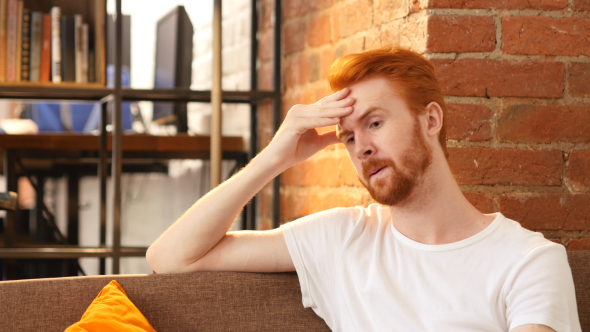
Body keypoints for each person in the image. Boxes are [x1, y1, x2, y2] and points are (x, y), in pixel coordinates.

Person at [146, 47, 581, 332]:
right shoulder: (342, 239)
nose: (363, 148)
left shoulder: (528, 261)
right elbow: (171, 257)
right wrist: (275, 158)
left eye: (374, 122)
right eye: (349, 138)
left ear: (430, 121)